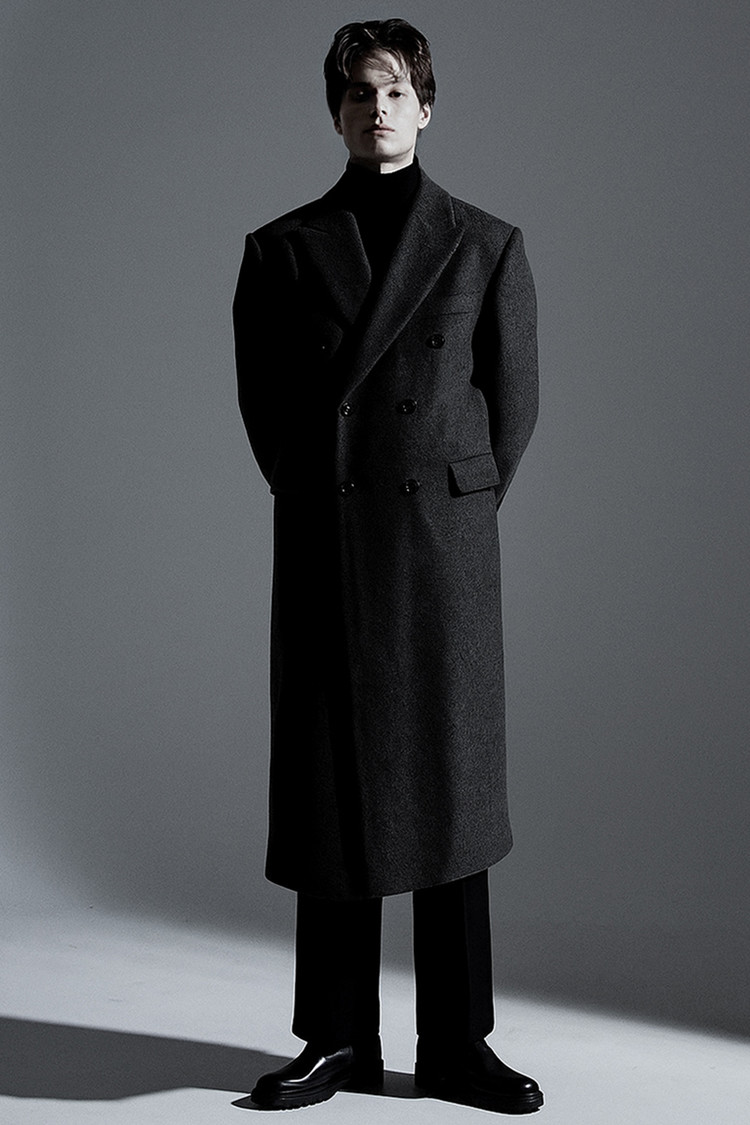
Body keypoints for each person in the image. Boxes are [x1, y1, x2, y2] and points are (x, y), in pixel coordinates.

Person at [232, 18, 543, 1115]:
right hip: (332, 543)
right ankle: (336, 1039)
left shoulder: (485, 243)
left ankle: (458, 1043)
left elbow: (513, 409)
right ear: (336, 112)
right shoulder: (281, 248)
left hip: (441, 555)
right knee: (333, 790)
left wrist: (450, 510)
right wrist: (330, 495)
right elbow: (268, 413)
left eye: (398, 91)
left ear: (428, 106)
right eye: (361, 94)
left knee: (452, 791)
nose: (380, 110)